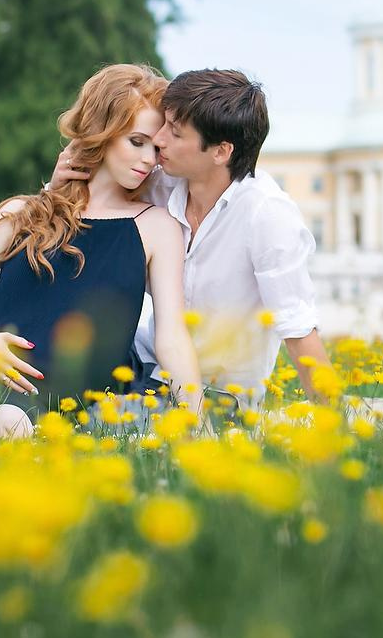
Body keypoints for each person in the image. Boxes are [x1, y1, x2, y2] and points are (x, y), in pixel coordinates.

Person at [0, 63, 203, 438]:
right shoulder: (22, 212)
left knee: (10, 424)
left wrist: (200, 423)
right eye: (136, 142)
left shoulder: (157, 227)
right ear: (101, 132)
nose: (149, 160)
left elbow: (172, 337)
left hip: (50, 388)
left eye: (156, 147)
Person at [48, 68, 334, 410]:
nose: (158, 139)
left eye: (175, 132)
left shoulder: (266, 215)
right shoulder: (159, 184)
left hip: (217, 394)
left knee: (90, 419)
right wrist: (58, 188)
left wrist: (334, 419)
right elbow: (86, 216)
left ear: (221, 152)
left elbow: (298, 327)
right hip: (142, 364)